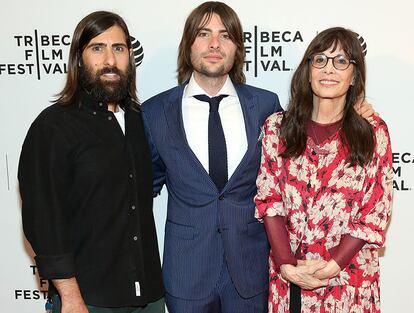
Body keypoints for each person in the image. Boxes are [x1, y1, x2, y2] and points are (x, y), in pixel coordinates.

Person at [18, 11, 164, 313]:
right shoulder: (54, 126)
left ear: (129, 58)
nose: (110, 59)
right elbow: (44, 219)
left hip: (148, 295)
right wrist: (70, 296)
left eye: (119, 48)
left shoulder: (140, 120)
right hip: (89, 299)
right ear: (79, 59)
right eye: (97, 48)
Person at [142, 2, 281, 312]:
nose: (215, 44)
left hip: (250, 271)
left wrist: (352, 116)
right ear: (188, 43)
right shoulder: (154, 113)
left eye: (225, 35)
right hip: (186, 273)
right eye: (204, 34)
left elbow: (293, 172)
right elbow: (140, 190)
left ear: (237, 47)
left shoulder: (265, 105)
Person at [255, 27, 393, 313]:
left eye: (341, 61)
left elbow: (374, 211)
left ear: (354, 74)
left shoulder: (373, 132)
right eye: (320, 59)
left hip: (349, 282)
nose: (329, 69)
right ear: (308, 70)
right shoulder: (277, 128)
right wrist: (286, 265)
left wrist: (332, 265)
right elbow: (269, 201)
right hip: (290, 279)